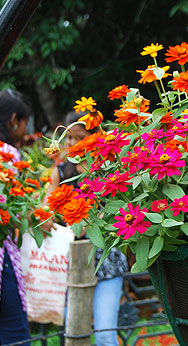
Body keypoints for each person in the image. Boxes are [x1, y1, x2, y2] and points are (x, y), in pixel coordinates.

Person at [47, 111, 128, 346]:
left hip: (106, 261)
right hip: (70, 261)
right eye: (68, 138)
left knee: (105, 335)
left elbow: (122, 207)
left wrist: (96, 219)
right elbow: (46, 211)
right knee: (74, 334)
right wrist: (61, 219)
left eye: (78, 137)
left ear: (94, 138)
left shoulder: (108, 170)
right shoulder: (60, 173)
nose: (71, 143)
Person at [0, 89, 33, 346]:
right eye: (24, 124)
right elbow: (16, 211)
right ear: (13, 120)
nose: (24, 132)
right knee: (14, 332)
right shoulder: (9, 154)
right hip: (3, 257)